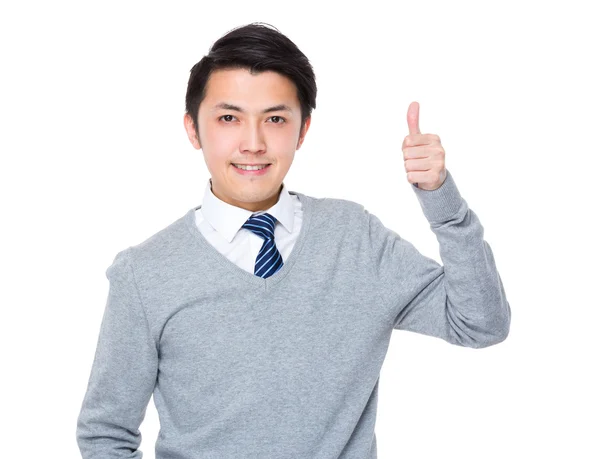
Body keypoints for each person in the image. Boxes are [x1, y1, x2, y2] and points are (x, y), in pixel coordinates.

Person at [75, 22, 511, 459]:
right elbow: (105, 435)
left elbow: (480, 324)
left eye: (275, 119)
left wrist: (441, 200)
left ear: (302, 131)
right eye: (229, 118)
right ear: (193, 129)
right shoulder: (145, 274)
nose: (253, 143)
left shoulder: (354, 239)